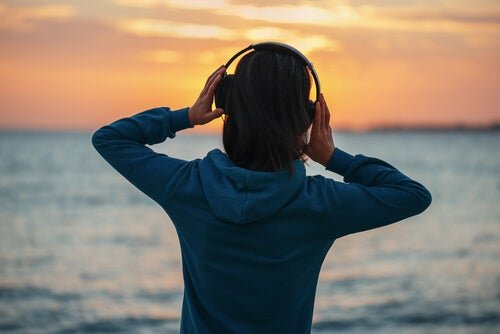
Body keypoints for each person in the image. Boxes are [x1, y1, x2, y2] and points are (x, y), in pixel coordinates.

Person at [92, 45, 431, 334]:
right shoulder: (321, 204)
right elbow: (412, 194)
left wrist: (186, 117)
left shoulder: (186, 187)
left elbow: (109, 138)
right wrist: (333, 157)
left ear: (227, 102)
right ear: (306, 118)